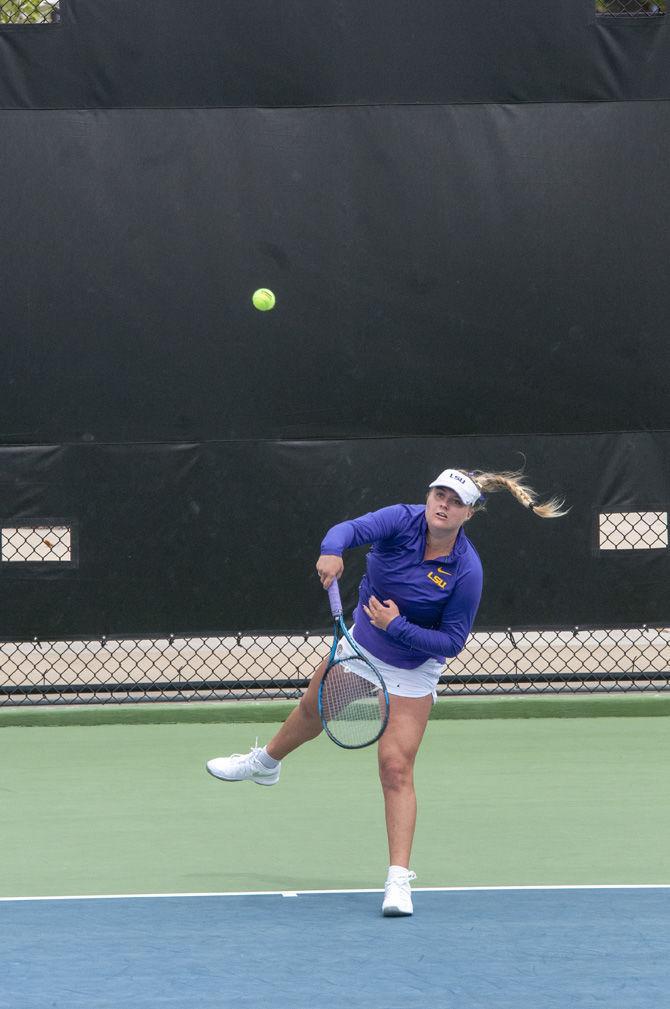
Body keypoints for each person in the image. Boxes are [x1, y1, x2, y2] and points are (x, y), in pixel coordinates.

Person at [206, 468, 567, 916]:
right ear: (428, 496)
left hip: (414, 672)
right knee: (312, 712)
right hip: (363, 648)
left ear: (468, 514)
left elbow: (452, 643)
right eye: (439, 494)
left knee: (395, 768)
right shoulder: (401, 519)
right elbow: (349, 530)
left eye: (455, 501)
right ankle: (263, 765)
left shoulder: (467, 571)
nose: (443, 504)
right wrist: (332, 551)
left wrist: (397, 625)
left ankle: (398, 881)